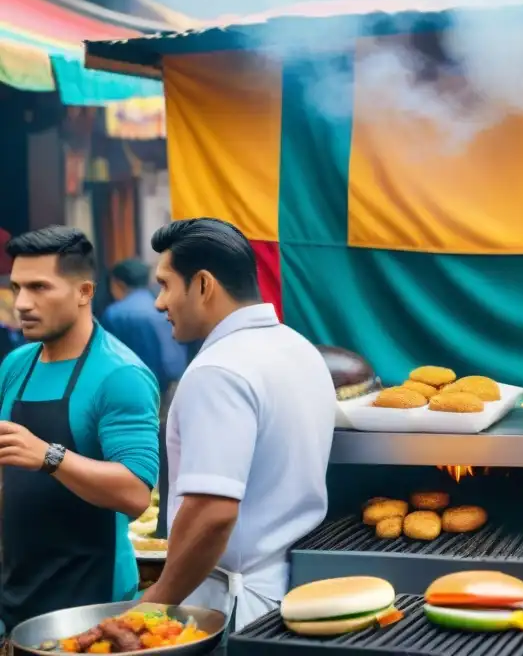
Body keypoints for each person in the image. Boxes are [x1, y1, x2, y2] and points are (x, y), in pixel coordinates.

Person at [139, 218, 335, 630]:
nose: (159, 303)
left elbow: (213, 512)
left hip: (230, 611)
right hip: (290, 598)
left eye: (166, 284)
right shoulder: (300, 349)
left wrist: (156, 601)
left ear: (204, 285)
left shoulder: (219, 370)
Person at [0, 227, 159, 631]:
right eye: (16, 287)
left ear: (84, 292)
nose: (21, 303)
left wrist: (49, 456)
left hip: (92, 602)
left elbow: (136, 494)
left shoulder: (120, 375)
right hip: (16, 590)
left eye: (39, 287)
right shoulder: (16, 365)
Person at [101, 258, 187, 413]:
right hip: (173, 387)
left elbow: (107, 359)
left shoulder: (115, 313)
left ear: (117, 284)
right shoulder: (162, 306)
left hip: (135, 392)